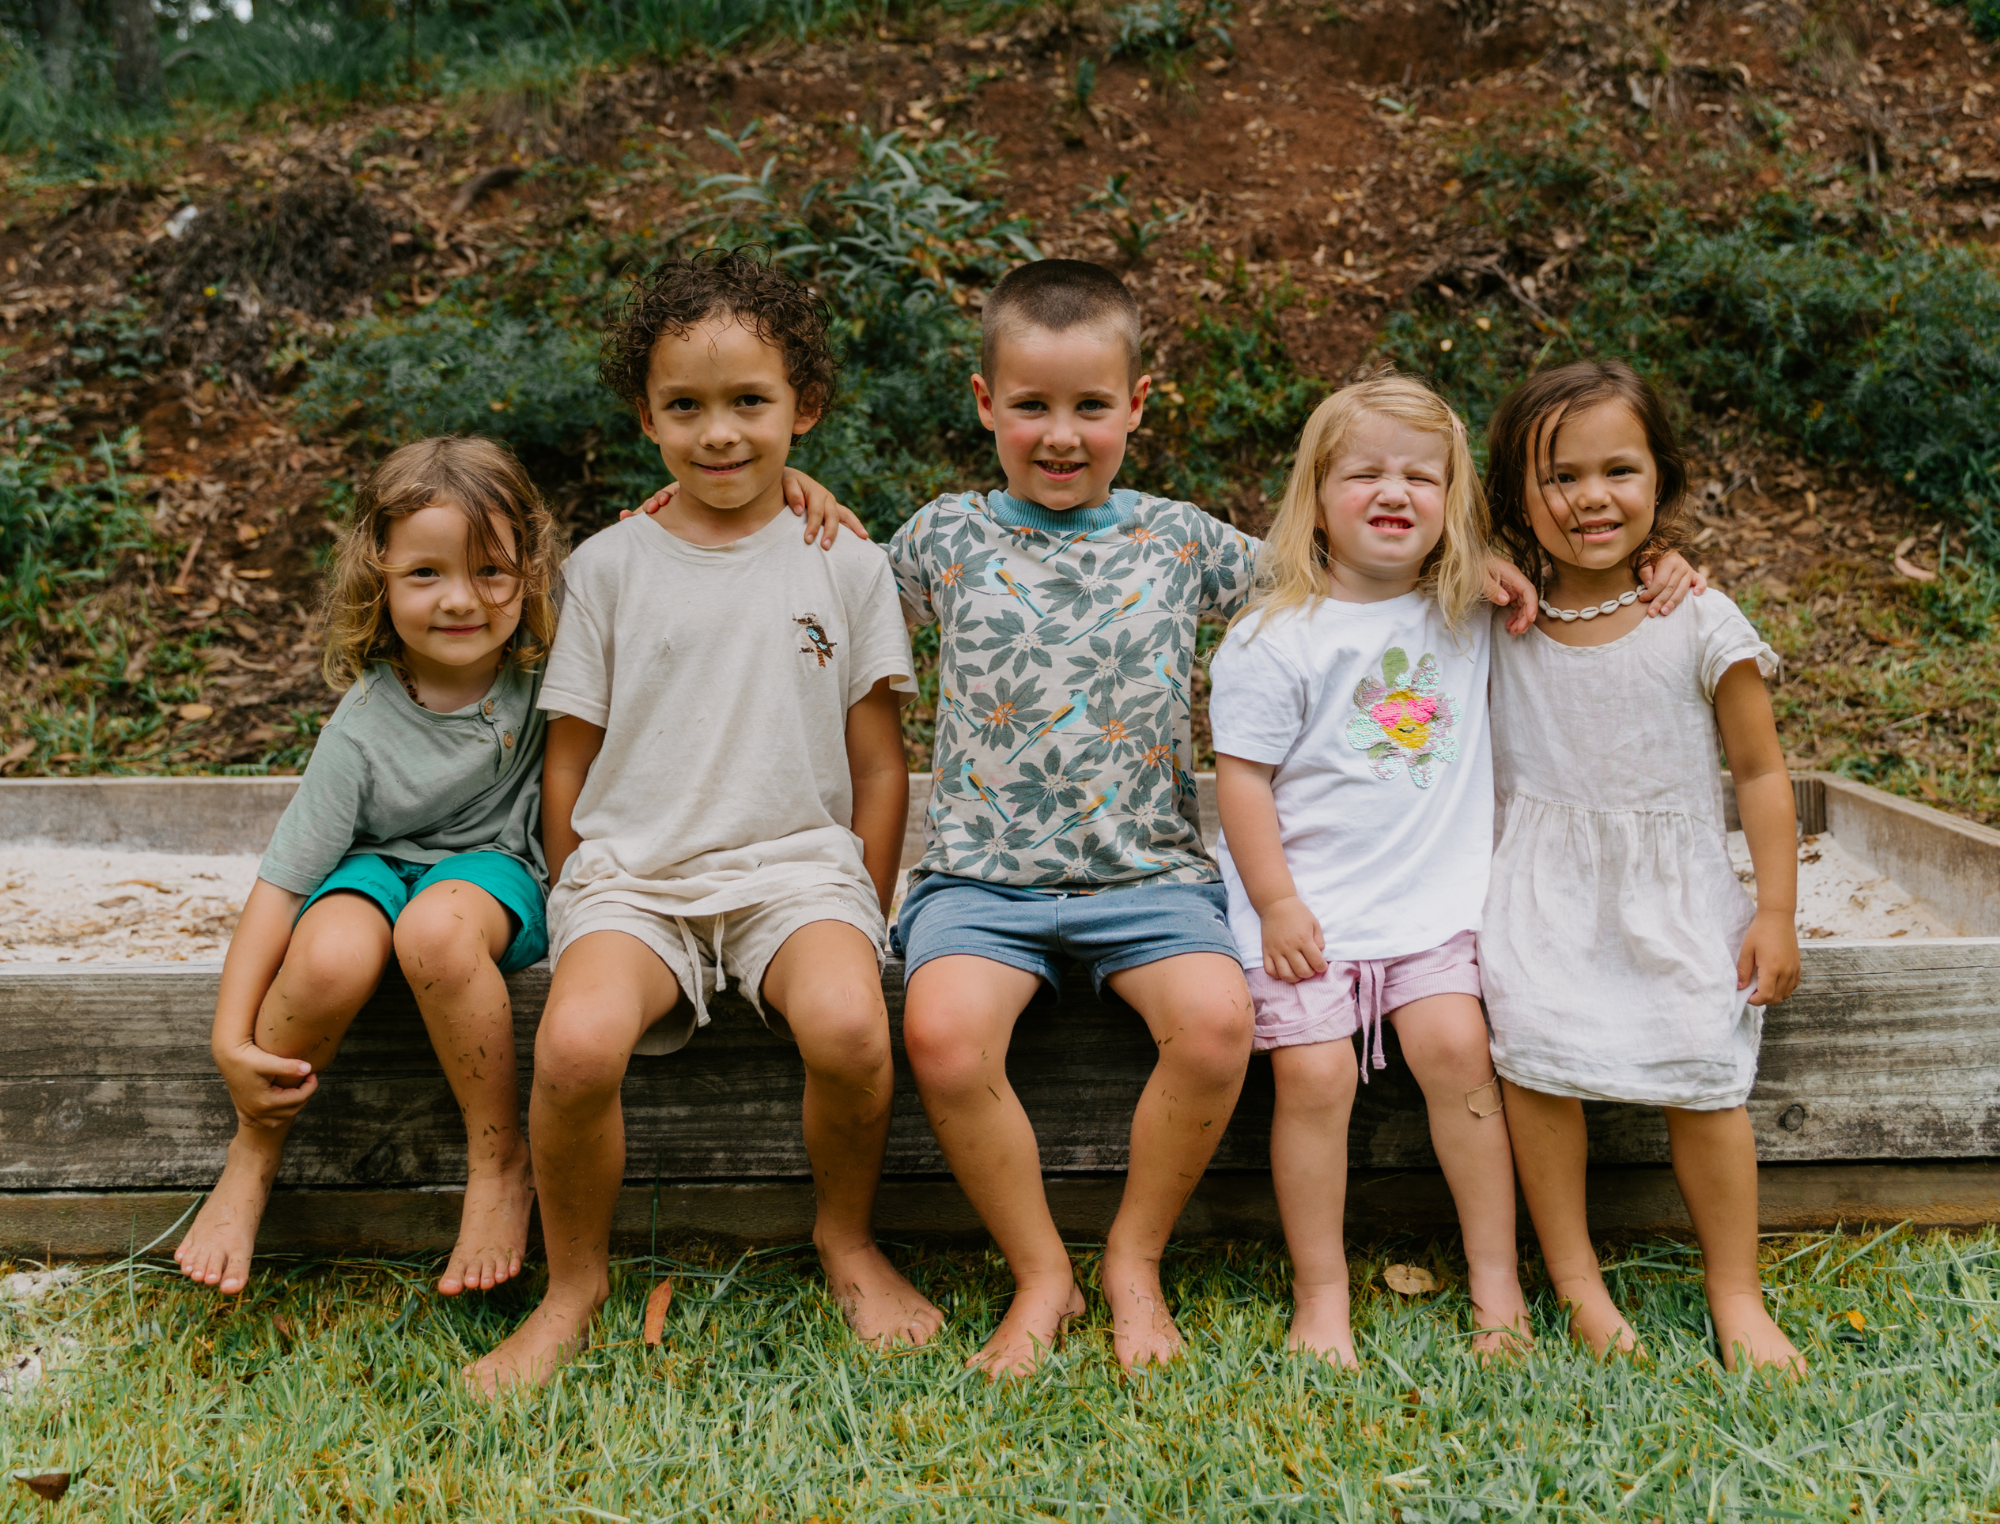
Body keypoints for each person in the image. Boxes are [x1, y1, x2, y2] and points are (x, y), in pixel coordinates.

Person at [467, 249, 941, 1394]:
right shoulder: (607, 565)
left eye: (749, 403)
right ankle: (574, 1285)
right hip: (637, 876)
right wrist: (584, 883)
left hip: (795, 870)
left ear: (803, 409)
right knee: (576, 1045)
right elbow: (567, 756)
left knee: (849, 1026)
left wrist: (858, 906)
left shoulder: (849, 564)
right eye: (685, 406)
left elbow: (879, 766)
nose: (718, 432)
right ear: (646, 417)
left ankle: (847, 1239)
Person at [174, 436, 561, 1301]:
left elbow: (656, 561)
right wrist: (228, 1041)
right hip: (374, 869)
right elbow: (280, 885)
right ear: (379, 577)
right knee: (328, 954)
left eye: (490, 570)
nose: (461, 599)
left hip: (494, 872)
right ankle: (253, 1152)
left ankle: (499, 1163)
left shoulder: (550, 677)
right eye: (426, 574)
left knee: (436, 929)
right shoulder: (359, 728)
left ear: (531, 572)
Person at [1478, 358, 1805, 1374]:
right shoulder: (1493, 616)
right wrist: (1477, 557)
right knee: (1534, 1062)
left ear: (1658, 479)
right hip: (1537, 894)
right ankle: (1576, 1285)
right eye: (1556, 476)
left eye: (1616, 470)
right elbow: (1372, 544)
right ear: (1511, 496)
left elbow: (1756, 773)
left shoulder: (1698, 618)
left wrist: (1776, 911)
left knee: (1704, 1075)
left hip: (1670, 892)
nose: (1588, 499)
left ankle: (1734, 1291)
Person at [1209, 374, 1534, 1367]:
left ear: (1453, 503)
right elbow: (1241, 784)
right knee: (1310, 1077)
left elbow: (1589, 573)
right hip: (1301, 912)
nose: (1393, 492)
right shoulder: (1275, 638)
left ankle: (1494, 1279)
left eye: (1420, 477)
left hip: (1429, 910)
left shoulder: (1466, 614)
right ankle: (1321, 1292)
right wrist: (1274, 903)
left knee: (1455, 1054)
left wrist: (1493, 565)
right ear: (1315, 495)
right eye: (1364, 473)